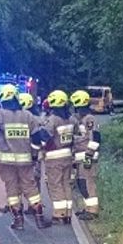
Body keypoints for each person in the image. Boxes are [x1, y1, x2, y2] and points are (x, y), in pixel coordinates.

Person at [0, 84, 49, 230]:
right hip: (25, 161)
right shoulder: (27, 115)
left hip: (6, 161)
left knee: (11, 189)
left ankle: (18, 221)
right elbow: (37, 138)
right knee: (30, 187)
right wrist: (33, 155)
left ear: (2, 98)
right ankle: (39, 219)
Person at [41, 90, 78, 224]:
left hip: (54, 158)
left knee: (55, 185)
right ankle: (67, 214)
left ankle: (59, 214)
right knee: (66, 184)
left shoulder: (53, 119)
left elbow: (44, 137)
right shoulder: (71, 119)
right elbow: (76, 136)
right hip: (67, 156)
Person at [70, 89, 102, 219]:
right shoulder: (80, 119)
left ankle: (93, 211)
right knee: (82, 183)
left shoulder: (89, 119)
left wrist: (89, 155)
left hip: (87, 157)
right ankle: (87, 208)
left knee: (88, 183)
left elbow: (95, 138)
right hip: (80, 158)